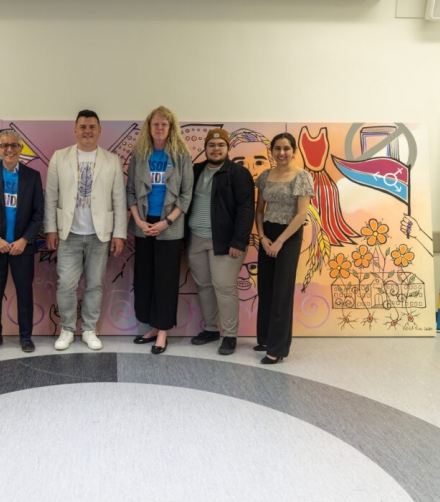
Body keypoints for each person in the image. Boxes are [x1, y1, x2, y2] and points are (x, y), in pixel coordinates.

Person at [44, 110, 126, 351]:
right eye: (83, 127)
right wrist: (50, 229)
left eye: (92, 127)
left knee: (95, 284)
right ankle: (67, 329)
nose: (87, 131)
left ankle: (89, 329)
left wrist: (119, 233)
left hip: (99, 235)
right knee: (66, 285)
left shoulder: (112, 160)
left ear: (99, 130)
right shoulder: (59, 157)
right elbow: (51, 197)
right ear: (75, 130)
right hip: (68, 234)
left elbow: (119, 200)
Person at [128, 105, 194, 355]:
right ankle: (153, 327)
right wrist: (139, 221)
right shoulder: (140, 154)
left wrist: (167, 222)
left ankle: (163, 330)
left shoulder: (181, 155)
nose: (159, 128)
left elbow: (186, 195)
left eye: (164, 124)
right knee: (145, 278)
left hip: (169, 227)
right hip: (144, 225)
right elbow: (130, 191)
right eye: (155, 124)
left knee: (166, 280)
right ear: (149, 127)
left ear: (171, 127)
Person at [0, 129, 45, 354]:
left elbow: (38, 212)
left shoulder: (32, 176)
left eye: (14, 145)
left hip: (22, 247)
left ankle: (26, 337)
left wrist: (24, 240)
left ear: (20, 148)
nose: (9, 149)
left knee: (24, 294)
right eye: (4, 145)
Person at [186, 129, 254, 355]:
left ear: (228, 148)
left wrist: (238, 241)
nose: (216, 149)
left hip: (225, 242)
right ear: (205, 148)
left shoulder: (238, 173)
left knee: (224, 288)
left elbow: (246, 209)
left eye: (220, 145)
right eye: (212, 145)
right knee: (204, 286)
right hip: (196, 239)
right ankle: (211, 329)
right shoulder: (195, 171)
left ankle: (230, 335)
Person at [254, 132, 313, 364]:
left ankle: (277, 349)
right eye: (277, 148)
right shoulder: (265, 176)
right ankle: (266, 338)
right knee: (266, 287)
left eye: (286, 148)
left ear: (294, 151)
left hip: (289, 235)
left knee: (282, 291)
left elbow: (301, 214)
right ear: (272, 151)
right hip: (267, 234)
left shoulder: (302, 176)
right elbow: (260, 210)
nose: (281, 153)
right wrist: (262, 237)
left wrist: (280, 241)